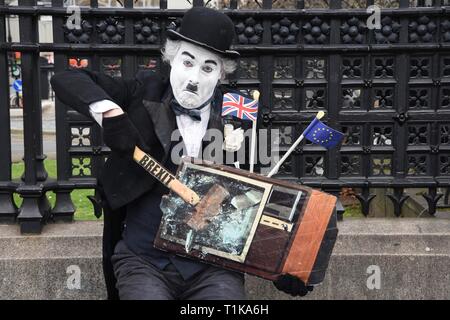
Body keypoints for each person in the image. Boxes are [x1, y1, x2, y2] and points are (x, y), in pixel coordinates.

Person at [51, 6, 312, 300]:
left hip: (213, 266)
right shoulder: (142, 91)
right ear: (172, 58)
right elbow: (66, 79)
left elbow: (258, 202)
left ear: (221, 74)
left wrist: (284, 265)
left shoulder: (239, 118)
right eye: (187, 63)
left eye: (208, 68)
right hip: (143, 258)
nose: (194, 79)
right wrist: (109, 112)